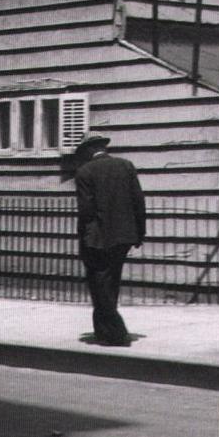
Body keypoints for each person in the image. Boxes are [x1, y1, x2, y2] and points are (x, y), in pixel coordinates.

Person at [74, 133, 146, 346]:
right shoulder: (126, 166)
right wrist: (139, 233)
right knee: (111, 282)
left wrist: (83, 238)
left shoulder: (85, 171)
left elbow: (86, 211)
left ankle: (116, 331)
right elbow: (138, 202)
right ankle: (103, 331)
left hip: (97, 238)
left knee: (99, 284)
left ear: (88, 150)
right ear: (103, 148)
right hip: (124, 236)